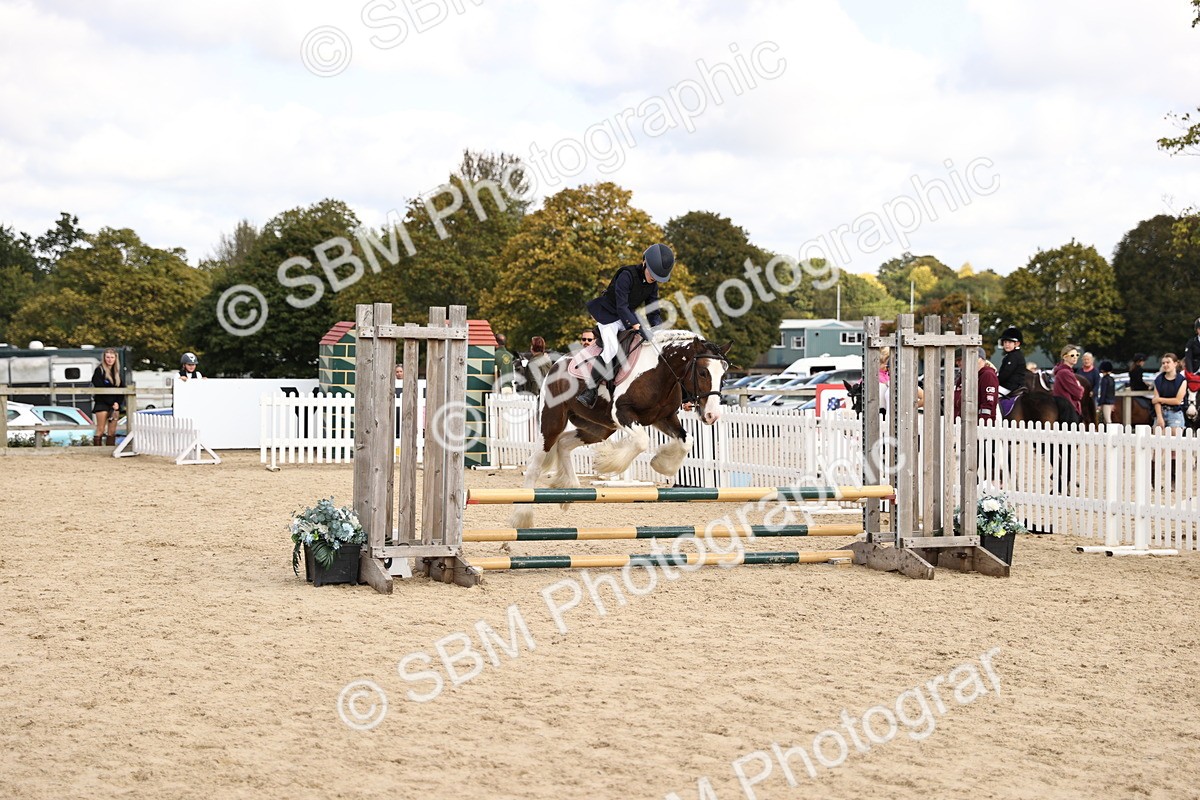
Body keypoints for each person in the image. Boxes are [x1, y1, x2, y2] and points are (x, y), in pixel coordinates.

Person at [577, 243, 673, 407]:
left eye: (658, 277)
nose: (654, 279)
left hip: (626, 316)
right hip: (608, 315)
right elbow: (621, 306)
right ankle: (590, 390)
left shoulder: (653, 285)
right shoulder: (626, 275)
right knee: (612, 348)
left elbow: (653, 312)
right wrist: (638, 327)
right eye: (653, 273)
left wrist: (658, 330)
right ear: (644, 263)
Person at [954, 347, 1000, 424]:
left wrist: (983, 423)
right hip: (962, 423)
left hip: (978, 425)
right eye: (956, 360)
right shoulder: (965, 376)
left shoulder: (988, 375)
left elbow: (988, 403)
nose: (957, 363)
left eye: (960, 359)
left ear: (978, 359)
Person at [91, 347, 124, 446]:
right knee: (100, 429)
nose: (110, 359)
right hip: (102, 403)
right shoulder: (99, 370)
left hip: (114, 405)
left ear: (115, 358)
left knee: (112, 431)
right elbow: (99, 387)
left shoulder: (117, 372)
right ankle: (97, 450)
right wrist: (111, 402)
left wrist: (118, 403)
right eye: (108, 357)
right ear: (104, 358)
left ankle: (110, 449)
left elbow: (122, 389)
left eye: (112, 357)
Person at [1152, 353, 1187, 431]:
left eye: (1168, 362)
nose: (1165, 365)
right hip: (1160, 412)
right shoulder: (1158, 380)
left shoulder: (1182, 380)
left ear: (1175, 364)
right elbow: (1155, 401)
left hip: (1175, 414)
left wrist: (1159, 399)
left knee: (1174, 436)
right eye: (1163, 363)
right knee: (1157, 435)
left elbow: (1177, 401)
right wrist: (1159, 417)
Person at [1052, 345, 1085, 422]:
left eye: (1077, 355)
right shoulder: (1065, 372)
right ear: (1065, 357)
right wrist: (1080, 387)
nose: (1075, 357)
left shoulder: (1064, 371)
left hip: (1066, 407)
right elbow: (1078, 393)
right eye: (1072, 355)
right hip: (1068, 408)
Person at [995, 327, 1027, 396]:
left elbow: (1005, 374)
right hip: (1009, 385)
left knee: (990, 394)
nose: (1007, 344)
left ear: (1017, 344)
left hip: (1010, 387)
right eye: (1005, 342)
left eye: (1009, 342)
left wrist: (995, 380)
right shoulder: (1012, 355)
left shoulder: (1014, 356)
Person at [1096, 360, 1116, 424]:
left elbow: (1103, 393)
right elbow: (1113, 392)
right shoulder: (1112, 379)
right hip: (1111, 401)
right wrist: (1113, 402)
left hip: (1106, 402)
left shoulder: (1104, 380)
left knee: (1108, 420)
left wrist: (1099, 403)